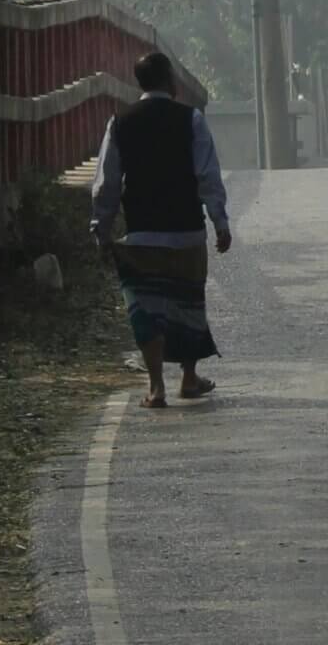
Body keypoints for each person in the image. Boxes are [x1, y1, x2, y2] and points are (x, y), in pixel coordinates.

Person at [91, 52, 233, 408]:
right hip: (186, 231)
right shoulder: (191, 120)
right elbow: (208, 175)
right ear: (169, 79)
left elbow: (106, 184)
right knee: (187, 303)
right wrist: (220, 222)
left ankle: (156, 386)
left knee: (146, 310)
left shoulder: (119, 123)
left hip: (142, 233)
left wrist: (101, 230)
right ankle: (188, 377)